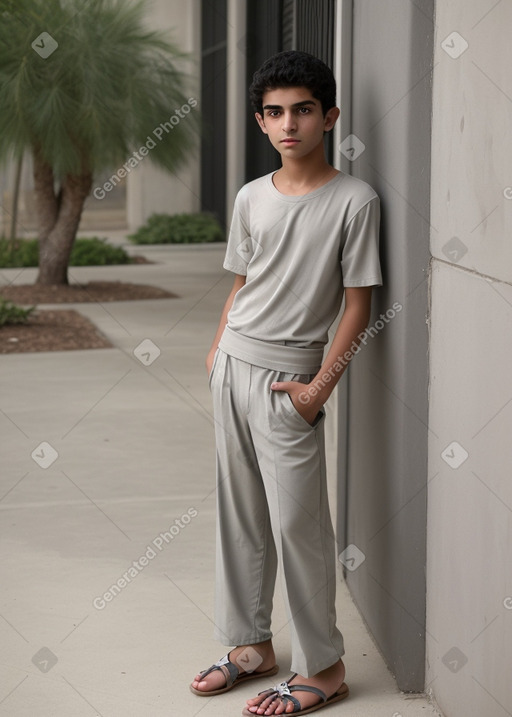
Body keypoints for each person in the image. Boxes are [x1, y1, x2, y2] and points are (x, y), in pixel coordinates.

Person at [190, 50, 382, 716]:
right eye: (274, 112)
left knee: (298, 523)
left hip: (290, 379)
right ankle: (249, 647)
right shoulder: (249, 197)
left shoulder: (354, 200)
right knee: (238, 514)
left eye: (302, 109)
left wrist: (316, 390)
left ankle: (323, 667)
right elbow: (242, 283)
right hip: (233, 366)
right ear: (260, 121)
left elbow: (358, 302)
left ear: (328, 117)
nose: (288, 123)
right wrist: (217, 351)